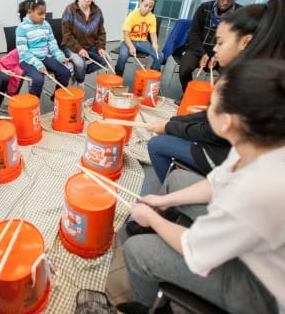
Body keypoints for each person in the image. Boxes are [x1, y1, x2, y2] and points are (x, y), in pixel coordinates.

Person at [118, 59, 285, 314]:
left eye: (212, 104)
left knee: (137, 251)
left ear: (227, 121)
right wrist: (163, 202)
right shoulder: (256, 143)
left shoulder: (257, 192)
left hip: (262, 289)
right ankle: (161, 223)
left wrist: (152, 218)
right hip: (253, 241)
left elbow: (195, 248)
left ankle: (148, 308)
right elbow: (217, 181)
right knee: (176, 181)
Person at [147, 0, 285, 183]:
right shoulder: (258, 72)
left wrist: (171, 127)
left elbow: (212, 132)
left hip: (225, 157)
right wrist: (174, 121)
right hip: (229, 153)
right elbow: (209, 119)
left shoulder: (245, 83)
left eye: (220, 42)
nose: (215, 49)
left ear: (245, 42)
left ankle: (176, 186)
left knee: (158, 144)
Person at [178, 0, 243, 94]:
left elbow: (237, 41)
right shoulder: (204, 8)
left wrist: (218, 55)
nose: (225, 2)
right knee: (184, 68)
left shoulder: (241, 14)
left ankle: (212, 100)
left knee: (230, 77)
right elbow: (194, 33)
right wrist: (202, 53)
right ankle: (188, 94)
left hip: (223, 51)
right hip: (200, 48)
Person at [16, 0, 72, 99]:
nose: (44, 16)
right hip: (28, 59)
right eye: (40, 13)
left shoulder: (46, 25)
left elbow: (52, 43)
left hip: (44, 56)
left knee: (66, 72)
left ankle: (56, 97)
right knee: (38, 80)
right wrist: (38, 64)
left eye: (44, 13)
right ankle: (33, 104)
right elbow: (23, 52)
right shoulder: (22, 28)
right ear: (29, 12)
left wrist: (60, 57)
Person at [61, 0, 107, 88]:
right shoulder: (69, 10)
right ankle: (80, 82)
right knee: (80, 63)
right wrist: (79, 49)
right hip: (71, 47)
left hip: (90, 46)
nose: (87, 0)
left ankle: (77, 74)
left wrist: (101, 47)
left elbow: (101, 32)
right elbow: (67, 35)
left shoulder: (97, 11)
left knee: (106, 60)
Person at [114, 0, 163, 79]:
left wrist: (155, 43)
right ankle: (118, 78)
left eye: (150, 7)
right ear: (140, 3)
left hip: (142, 41)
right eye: (145, 5)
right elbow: (126, 35)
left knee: (160, 56)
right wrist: (131, 46)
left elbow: (153, 33)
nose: (147, 9)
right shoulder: (132, 15)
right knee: (123, 56)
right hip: (128, 41)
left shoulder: (152, 17)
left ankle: (150, 77)